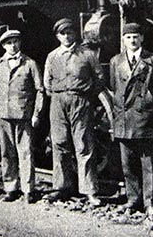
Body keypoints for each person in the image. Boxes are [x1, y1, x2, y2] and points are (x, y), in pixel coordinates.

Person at [43, 18, 105, 206]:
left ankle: (89, 191)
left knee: (84, 144)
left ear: (75, 34)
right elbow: (47, 82)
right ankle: (61, 187)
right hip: (58, 101)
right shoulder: (52, 56)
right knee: (59, 142)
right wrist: (57, 94)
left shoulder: (87, 55)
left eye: (70, 32)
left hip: (81, 101)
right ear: (57, 36)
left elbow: (99, 78)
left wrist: (86, 96)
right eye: (63, 33)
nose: (67, 36)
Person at [109, 23, 153, 218]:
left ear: (142, 38)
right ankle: (133, 199)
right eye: (128, 37)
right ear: (123, 40)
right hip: (124, 117)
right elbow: (114, 87)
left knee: (148, 163)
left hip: (145, 116)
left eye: (136, 36)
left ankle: (150, 203)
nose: (132, 40)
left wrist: (149, 105)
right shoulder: (116, 61)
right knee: (128, 163)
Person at [0, 29, 44, 203]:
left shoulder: (30, 64)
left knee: (25, 153)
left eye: (15, 42)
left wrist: (36, 114)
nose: (13, 46)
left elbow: (39, 90)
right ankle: (10, 188)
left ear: (20, 43)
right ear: (3, 46)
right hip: (3, 115)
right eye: (9, 43)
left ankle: (28, 190)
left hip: (23, 115)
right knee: (7, 153)